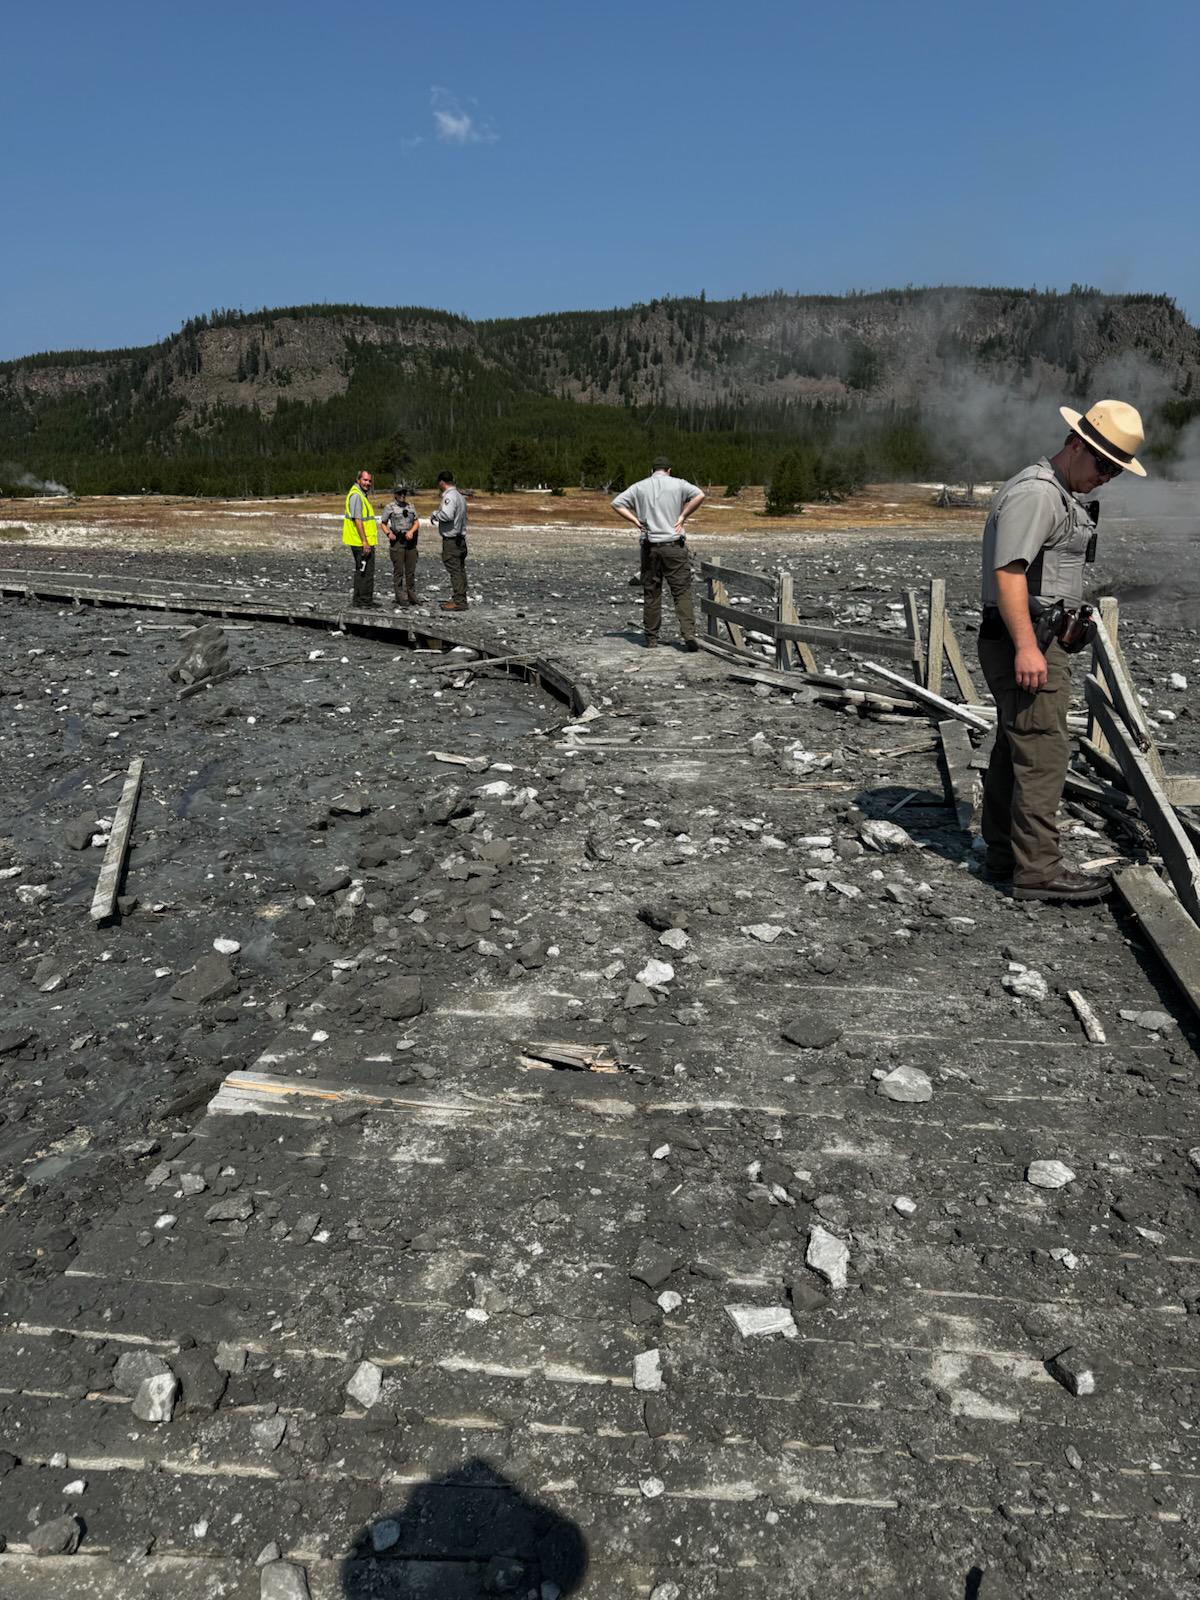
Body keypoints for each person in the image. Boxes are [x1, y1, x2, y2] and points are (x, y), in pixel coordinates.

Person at [977, 398, 1146, 902]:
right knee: (1045, 751)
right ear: (1076, 444)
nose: (1107, 476)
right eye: (1103, 464)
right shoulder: (1038, 494)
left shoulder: (1057, 493)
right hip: (1025, 640)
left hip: (1032, 636)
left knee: (1018, 746)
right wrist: (1029, 647)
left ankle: (1006, 855)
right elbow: (1008, 573)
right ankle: (1038, 873)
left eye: (1116, 470)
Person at [611, 455, 705, 649]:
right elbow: (699, 495)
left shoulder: (639, 486)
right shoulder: (679, 484)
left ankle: (651, 638)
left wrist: (635, 521)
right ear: (669, 470)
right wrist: (683, 516)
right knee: (681, 591)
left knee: (652, 592)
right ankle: (688, 634)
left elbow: (617, 503)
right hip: (674, 544)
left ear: (652, 470)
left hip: (650, 545)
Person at [430, 470, 469, 611]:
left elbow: (447, 515)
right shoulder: (460, 496)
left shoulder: (450, 497)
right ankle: (461, 597)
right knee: (460, 569)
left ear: (441, 482)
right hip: (460, 539)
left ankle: (459, 601)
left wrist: (435, 514)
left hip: (452, 540)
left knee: (455, 570)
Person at [379, 484, 420, 609]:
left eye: (404, 493)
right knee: (399, 571)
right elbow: (383, 523)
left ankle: (412, 597)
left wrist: (412, 531)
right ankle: (400, 597)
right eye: (400, 493)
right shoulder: (389, 507)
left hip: (411, 542)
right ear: (395, 494)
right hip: (398, 541)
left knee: (410, 571)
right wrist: (388, 533)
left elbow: (416, 522)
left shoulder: (411, 506)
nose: (403, 495)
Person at [342, 468, 378, 608]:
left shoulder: (359, 494)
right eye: (365, 480)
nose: (367, 483)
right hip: (361, 542)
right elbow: (358, 520)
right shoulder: (357, 496)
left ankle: (358, 600)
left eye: (369, 481)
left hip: (359, 541)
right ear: (358, 480)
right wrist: (365, 542)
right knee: (366, 572)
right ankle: (364, 601)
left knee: (361, 570)